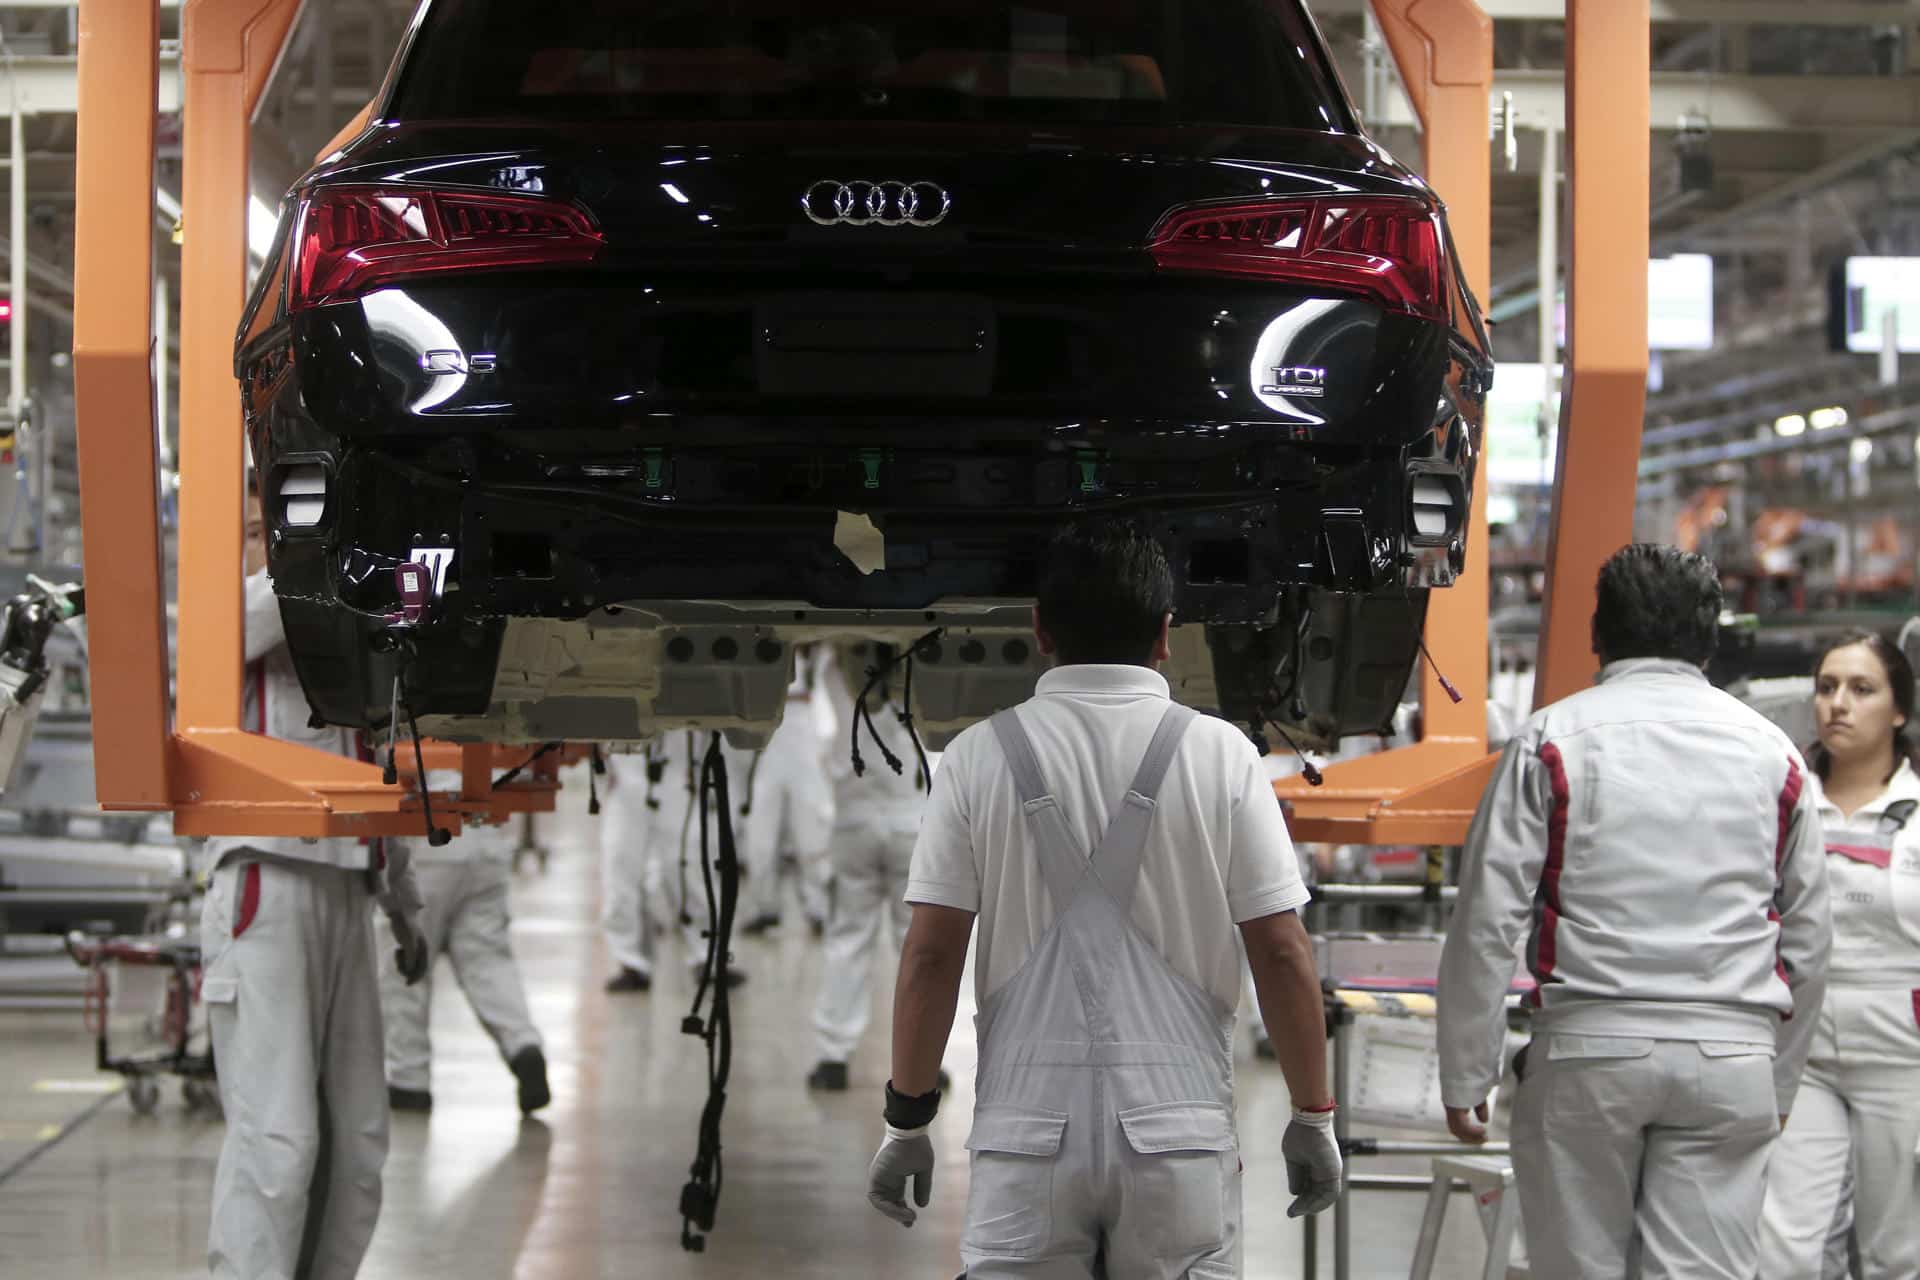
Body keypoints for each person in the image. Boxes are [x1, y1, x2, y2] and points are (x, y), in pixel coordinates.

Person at [867, 520, 1342, 1277]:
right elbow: (1281, 951)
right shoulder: (1223, 756)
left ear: (1039, 630)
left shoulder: (976, 757)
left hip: (1024, 1139)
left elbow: (930, 957)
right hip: (1177, 1139)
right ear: (1164, 634)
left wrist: (907, 1119)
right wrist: (1312, 1115)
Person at [1437, 543, 1832, 1280]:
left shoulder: (1548, 741)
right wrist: (1780, 1082)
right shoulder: (1776, 755)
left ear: (1599, 632)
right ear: (1711, 635)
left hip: (1590, 1053)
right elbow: (1808, 936)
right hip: (1730, 1058)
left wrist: (1467, 1075)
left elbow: (1488, 920)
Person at [202, 520, 429, 1279]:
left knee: (360, 1141)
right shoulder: (232, 617)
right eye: (257, 530)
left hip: (352, 894)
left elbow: (384, 777)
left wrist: (404, 906)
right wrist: (339, 545)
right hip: (269, 884)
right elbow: (245, 620)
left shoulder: (354, 641)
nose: (267, 543)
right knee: (278, 1138)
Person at [1757, 630, 1920, 1279]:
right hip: (1802, 1052)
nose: (1838, 705)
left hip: (1904, 1054)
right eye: (1827, 688)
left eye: (1861, 689)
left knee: (1895, 1252)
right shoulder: (1782, 800)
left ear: (1899, 709)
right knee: (1784, 1247)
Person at [375, 789, 549, 1116]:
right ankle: (523, 1044)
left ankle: (409, 1080)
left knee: (407, 963)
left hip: (425, 837)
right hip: (484, 834)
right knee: (487, 959)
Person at [804, 642, 929, 1092]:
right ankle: (925, 1060)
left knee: (848, 939)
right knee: (915, 947)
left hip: (855, 822)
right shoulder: (926, 674)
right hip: (911, 825)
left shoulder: (834, 669)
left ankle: (833, 1057)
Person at [601, 733, 752, 992]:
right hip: (627, 773)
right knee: (621, 867)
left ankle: (710, 958)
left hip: (677, 771)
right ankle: (631, 962)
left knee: (689, 865)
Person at [740, 644, 835, 936]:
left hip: (804, 733)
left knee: (810, 834)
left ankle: (818, 909)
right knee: (760, 838)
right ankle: (765, 908)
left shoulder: (816, 652)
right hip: (767, 734)